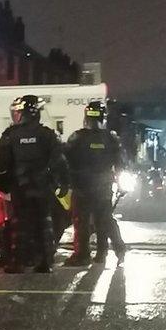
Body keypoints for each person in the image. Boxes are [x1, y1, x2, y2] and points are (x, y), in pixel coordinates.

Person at [0, 95, 69, 274]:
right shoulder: (48, 134)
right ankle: (45, 262)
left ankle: (18, 262)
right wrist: (63, 182)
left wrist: (4, 184)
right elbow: (60, 161)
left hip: (20, 187)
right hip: (43, 186)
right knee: (44, 222)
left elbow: (0, 163)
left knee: (20, 224)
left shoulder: (10, 135)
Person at [62, 101, 127, 267]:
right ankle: (110, 250)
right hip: (103, 186)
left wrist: (65, 181)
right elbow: (120, 163)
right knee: (104, 219)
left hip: (82, 186)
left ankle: (83, 255)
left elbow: (65, 159)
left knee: (81, 221)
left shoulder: (77, 137)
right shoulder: (111, 138)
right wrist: (120, 184)